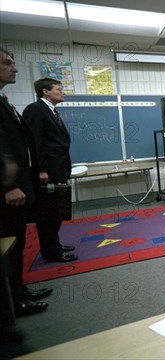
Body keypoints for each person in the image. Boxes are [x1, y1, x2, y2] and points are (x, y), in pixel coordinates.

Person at [0, 47, 52, 316]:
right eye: (8, 63)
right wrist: (7, 185)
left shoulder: (4, 99)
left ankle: (19, 291)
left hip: (20, 185)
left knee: (17, 243)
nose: (15, 68)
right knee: (8, 246)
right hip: (8, 190)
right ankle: (13, 301)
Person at [23, 78, 77, 262]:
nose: (63, 92)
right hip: (47, 171)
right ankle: (51, 252)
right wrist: (41, 170)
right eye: (59, 89)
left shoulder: (52, 111)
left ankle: (54, 245)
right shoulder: (35, 109)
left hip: (58, 167)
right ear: (46, 92)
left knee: (56, 211)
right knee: (47, 214)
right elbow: (34, 142)